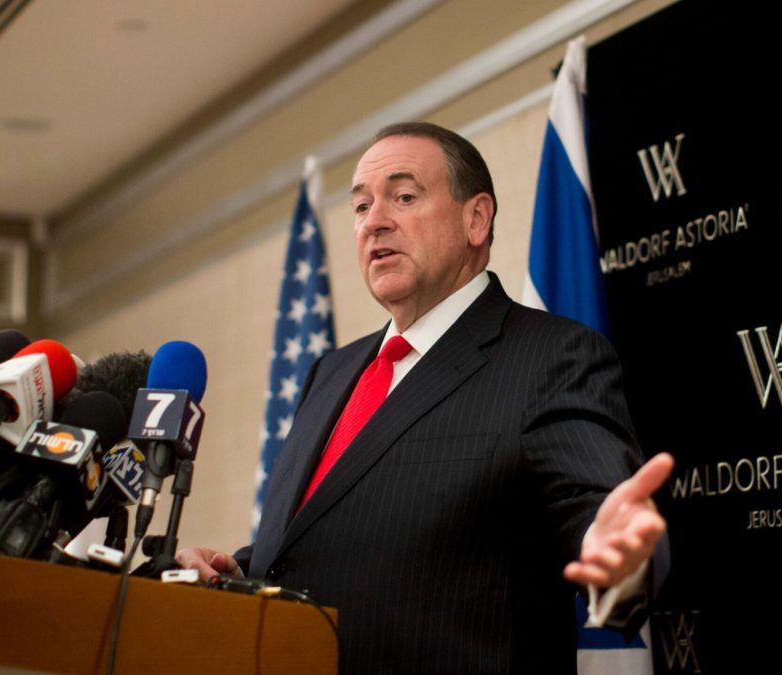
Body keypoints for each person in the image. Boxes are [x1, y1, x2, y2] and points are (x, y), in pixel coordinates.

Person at [177, 122, 672, 673]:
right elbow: (323, 540)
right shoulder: (331, 372)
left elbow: (602, 519)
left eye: (404, 196)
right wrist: (237, 572)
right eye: (361, 207)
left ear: (475, 219)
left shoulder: (551, 356)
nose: (374, 222)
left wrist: (619, 557)